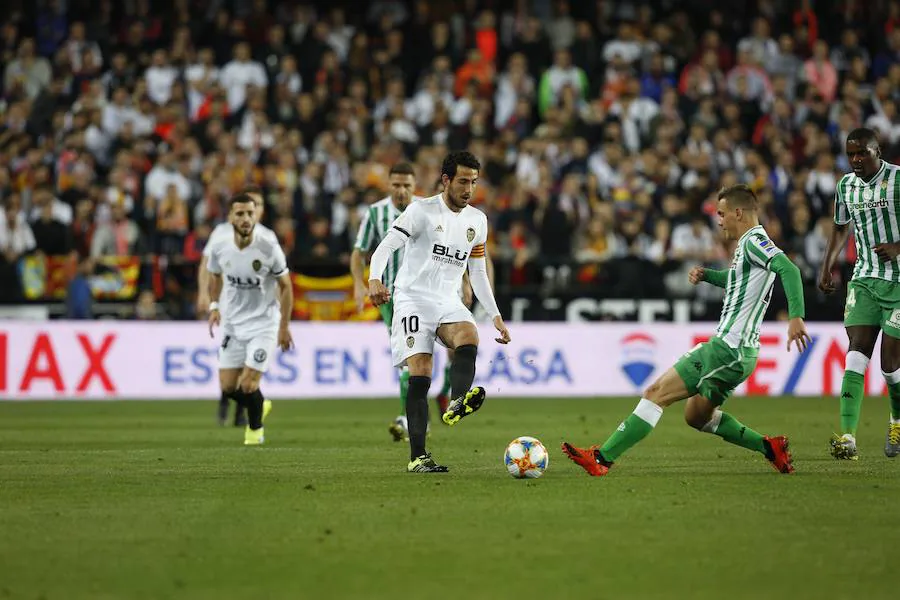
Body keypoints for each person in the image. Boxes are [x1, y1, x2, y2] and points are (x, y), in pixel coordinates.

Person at [562, 184, 810, 476]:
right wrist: (708, 275)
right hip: (742, 354)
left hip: (727, 348)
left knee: (656, 392)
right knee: (696, 416)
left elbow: (789, 270)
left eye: (721, 214)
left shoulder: (754, 240)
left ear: (738, 212)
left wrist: (796, 317)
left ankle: (602, 458)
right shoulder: (750, 245)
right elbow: (740, 280)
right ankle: (770, 447)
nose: (718, 221)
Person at [367, 151, 511, 472]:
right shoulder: (421, 211)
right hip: (413, 298)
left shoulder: (477, 221)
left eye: (473, 182)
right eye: (462, 181)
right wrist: (374, 279)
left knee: (469, 334)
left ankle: (458, 400)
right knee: (421, 372)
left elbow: (477, 272)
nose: (468, 189)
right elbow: (385, 247)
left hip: (447, 298)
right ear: (446, 180)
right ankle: (418, 456)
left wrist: (495, 314)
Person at [818, 127, 900, 459]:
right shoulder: (845, 186)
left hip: (898, 283)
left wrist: (897, 246)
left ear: (877, 151)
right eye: (850, 153)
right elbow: (840, 228)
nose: (855, 159)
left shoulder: (897, 180)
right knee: (855, 354)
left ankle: (896, 420)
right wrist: (827, 265)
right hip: (864, 278)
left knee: (889, 366)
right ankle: (848, 437)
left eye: (862, 153)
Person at [206, 193, 294, 446]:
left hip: (263, 324)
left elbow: (286, 286)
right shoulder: (220, 246)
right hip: (233, 324)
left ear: (256, 215)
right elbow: (214, 276)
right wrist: (214, 306)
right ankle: (260, 403)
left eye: (250, 213)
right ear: (230, 217)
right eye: (240, 214)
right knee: (227, 387)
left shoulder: (268, 247)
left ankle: (255, 431)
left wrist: (284, 327)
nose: (245, 218)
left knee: (247, 385)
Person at [197, 185, 279, 427]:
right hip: (227, 306)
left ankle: (244, 410)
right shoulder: (221, 233)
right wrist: (205, 294)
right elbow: (207, 266)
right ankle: (229, 400)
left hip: (256, 313)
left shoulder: (268, 237)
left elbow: (276, 277)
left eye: (257, 206)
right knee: (231, 364)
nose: (249, 214)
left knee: (248, 366)